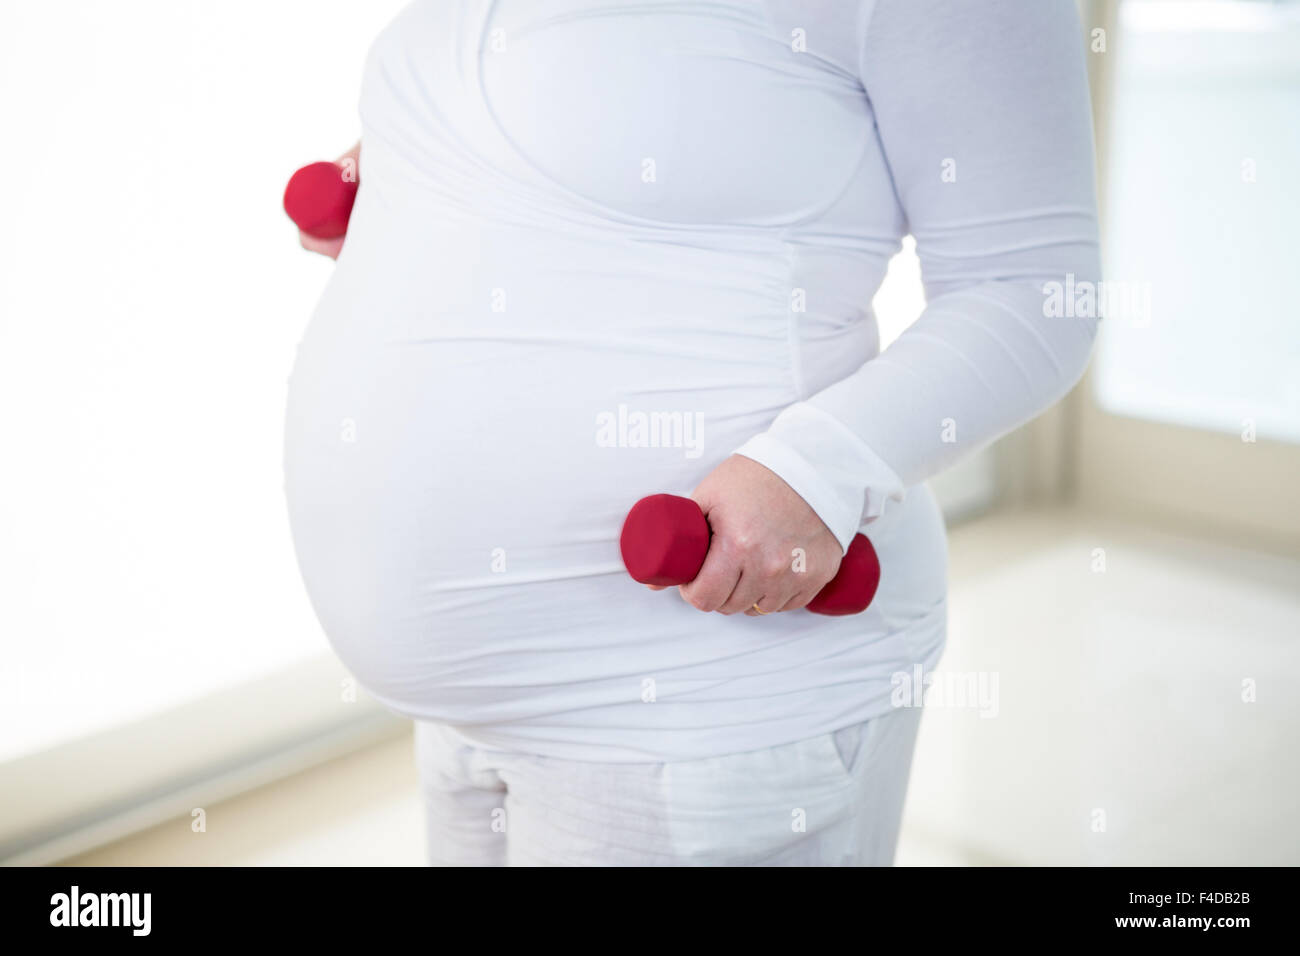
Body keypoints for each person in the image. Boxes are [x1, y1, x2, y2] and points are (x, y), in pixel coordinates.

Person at [284, 0, 1100, 865]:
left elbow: (1035, 291)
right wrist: (421, 177)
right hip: (461, 718)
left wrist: (813, 473)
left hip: (706, 701)